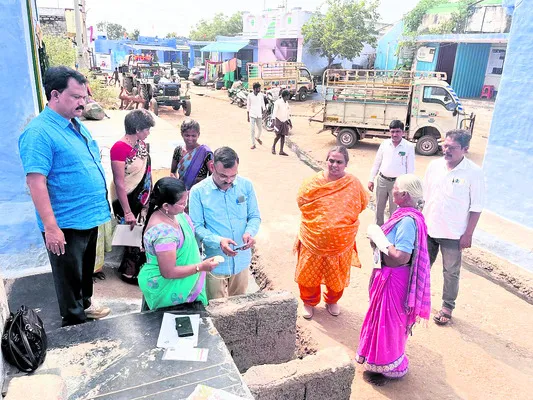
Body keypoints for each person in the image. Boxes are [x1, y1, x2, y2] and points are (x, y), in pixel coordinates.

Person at [18, 66, 111, 326]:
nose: (82, 102)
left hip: (88, 216)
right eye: (76, 97)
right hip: (65, 222)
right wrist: (51, 227)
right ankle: (74, 322)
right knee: (68, 277)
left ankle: (86, 305)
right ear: (55, 95)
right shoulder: (39, 132)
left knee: (83, 273)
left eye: (84, 97)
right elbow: (36, 182)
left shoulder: (75, 124)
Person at [356, 174, 431, 386]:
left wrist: (381, 242)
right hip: (390, 276)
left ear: (404, 194)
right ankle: (380, 361)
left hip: (395, 278)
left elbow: (400, 257)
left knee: (388, 324)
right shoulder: (404, 215)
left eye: (395, 188)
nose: (393, 190)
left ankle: (387, 366)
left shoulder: (407, 221)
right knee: (384, 320)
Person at [295, 146, 368, 319]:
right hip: (312, 239)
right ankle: (308, 302)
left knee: (336, 275)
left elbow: (362, 203)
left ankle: (332, 300)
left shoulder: (353, 183)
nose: (334, 165)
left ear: (346, 164)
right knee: (308, 272)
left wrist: (342, 220)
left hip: (341, 242)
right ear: (326, 161)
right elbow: (302, 202)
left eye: (339, 162)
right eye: (331, 160)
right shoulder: (312, 182)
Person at [423, 130, 484, 326]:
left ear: (465, 149)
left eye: (452, 147)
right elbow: (425, 197)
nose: (446, 150)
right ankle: (416, 300)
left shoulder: (474, 173)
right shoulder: (434, 166)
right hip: (429, 228)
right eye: (445, 145)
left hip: (454, 234)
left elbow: (476, 207)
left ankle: (447, 307)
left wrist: (468, 234)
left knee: (451, 272)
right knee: (422, 267)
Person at [189, 147, 261, 299]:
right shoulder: (198, 192)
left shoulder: (246, 186)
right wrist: (219, 241)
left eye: (233, 176)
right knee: (216, 306)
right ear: (212, 167)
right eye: (223, 175)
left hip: (241, 259)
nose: (228, 180)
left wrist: (250, 232)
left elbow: (254, 216)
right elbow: (197, 227)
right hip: (215, 262)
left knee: (239, 302)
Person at [138, 178, 220, 310]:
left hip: (181, 284)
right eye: (182, 203)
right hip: (167, 290)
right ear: (166, 206)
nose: (185, 206)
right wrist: (201, 267)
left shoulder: (175, 215)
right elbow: (168, 272)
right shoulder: (164, 235)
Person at [110, 109, 155, 284]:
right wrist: (128, 212)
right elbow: (120, 182)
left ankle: (139, 271)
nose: (148, 132)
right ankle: (129, 272)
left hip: (142, 200)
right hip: (127, 200)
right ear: (137, 129)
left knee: (142, 237)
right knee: (132, 238)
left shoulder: (141, 145)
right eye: (147, 129)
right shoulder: (119, 148)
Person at [368, 120, 415, 226]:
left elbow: (410, 168)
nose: (395, 134)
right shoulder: (384, 144)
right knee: (379, 207)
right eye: (392, 131)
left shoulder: (408, 146)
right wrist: (371, 179)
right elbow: (377, 163)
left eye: (398, 131)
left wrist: (408, 187)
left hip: (398, 184)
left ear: (403, 132)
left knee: (394, 210)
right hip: (382, 181)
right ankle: (378, 229)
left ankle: (391, 229)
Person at [170, 119, 213, 190]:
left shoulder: (205, 153)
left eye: (193, 136)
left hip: (200, 192)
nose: (190, 138)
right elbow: (172, 172)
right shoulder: (178, 150)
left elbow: (213, 177)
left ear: (198, 135)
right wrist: (177, 187)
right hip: (182, 192)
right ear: (182, 134)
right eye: (187, 135)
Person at [272, 89, 292, 156]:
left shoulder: (286, 103)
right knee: (278, 136)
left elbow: (287, 112)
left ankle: (281, 151)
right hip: (278, 121)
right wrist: (273, 120)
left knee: (283, 136)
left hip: (284, 121)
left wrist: (289, 121)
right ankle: (273, 147)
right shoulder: (277, 102)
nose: (289, 97)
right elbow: (274, 112)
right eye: (288, 96)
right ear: (285, 96)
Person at [247, 82, 265, 149]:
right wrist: (247, 116)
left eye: (259, 88)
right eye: (258, 88)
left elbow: (263, 104)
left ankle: (257, 138)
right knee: (252, 130)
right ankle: (253, 144)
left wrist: (264, 110)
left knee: (260, 129)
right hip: (252, 114)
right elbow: (248, 106)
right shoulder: (250, 95)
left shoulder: (260, 95)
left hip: (259, 114)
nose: (259, 89)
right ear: (254, 89)